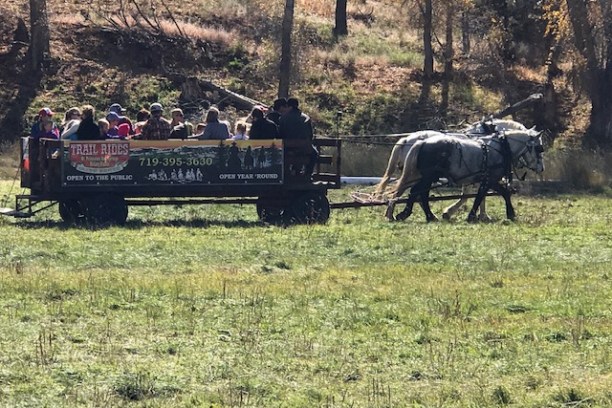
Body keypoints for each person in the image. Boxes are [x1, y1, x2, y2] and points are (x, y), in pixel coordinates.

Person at [279, 97, 317, 176]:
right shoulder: (306, 118)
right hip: (304, 149)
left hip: (287, 149)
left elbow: (280, 134)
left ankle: (286, 174)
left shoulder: (283, 118)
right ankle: (308, 174)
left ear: (289, 106)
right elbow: (310, 135)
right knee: (315, 154)